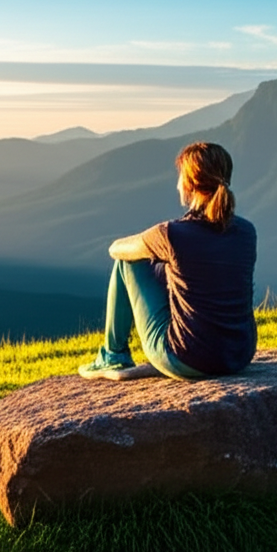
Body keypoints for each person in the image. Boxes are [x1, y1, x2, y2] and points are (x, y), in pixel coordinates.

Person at [78, 141, 256, 380]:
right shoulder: (246, 231)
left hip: (186, 359)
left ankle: (113, 356)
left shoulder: (172, 235)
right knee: (170, 269)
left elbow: (116, 250)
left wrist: (151, 247)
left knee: (128, 262)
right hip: (239, 356)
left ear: (189, 184)